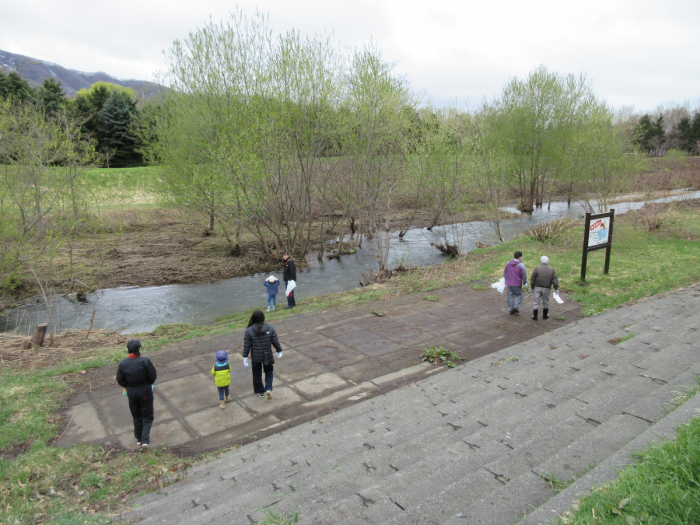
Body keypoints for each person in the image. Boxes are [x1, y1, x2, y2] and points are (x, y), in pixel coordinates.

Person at [116, 339, 157, 451]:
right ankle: (144, 441)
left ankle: (138, 438)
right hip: (145, 392)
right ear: (139, 349)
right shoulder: (145, 361)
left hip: (132, 393)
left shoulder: (123, 364)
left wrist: (129, 386)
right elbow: (152, 377)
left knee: (137, 416)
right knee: (147, 417)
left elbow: (120, 380)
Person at [242, 310, 282, 399]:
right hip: (267, 355)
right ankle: (268, 388)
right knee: (269, 372)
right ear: (263, 318)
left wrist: (245, 356)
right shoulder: (270, 328)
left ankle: (260, 391)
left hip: (256, 357)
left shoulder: (249, 330)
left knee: (256, 374)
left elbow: (247, 345)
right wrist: (279, 350)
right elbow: (275, 341)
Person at [531, 255, 559, 321]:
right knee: (546, 301)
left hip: (538, 287)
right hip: (546, 288)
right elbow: (555, 280)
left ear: (541, 261)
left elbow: (533, 278)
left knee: (536, 301)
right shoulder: (552, 269)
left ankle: (535, 316)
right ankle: (545, 315)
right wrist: (556, 288)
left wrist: (532, 287)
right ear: (548, 261)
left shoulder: (537, 268)